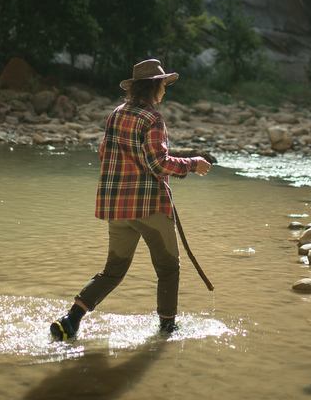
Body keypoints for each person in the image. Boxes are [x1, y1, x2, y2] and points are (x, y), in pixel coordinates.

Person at [50, 59, 211, 341]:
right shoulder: (152, 119)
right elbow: (159, 163)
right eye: (163, 85)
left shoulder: (116, 114)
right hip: (148, 208)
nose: (165, 90)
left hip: (117, 209)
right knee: (168, 268)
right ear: (154, 87)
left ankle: (71, 319)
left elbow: (105, 153)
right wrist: (193, 163)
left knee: (112, 272)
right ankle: (167, 330)